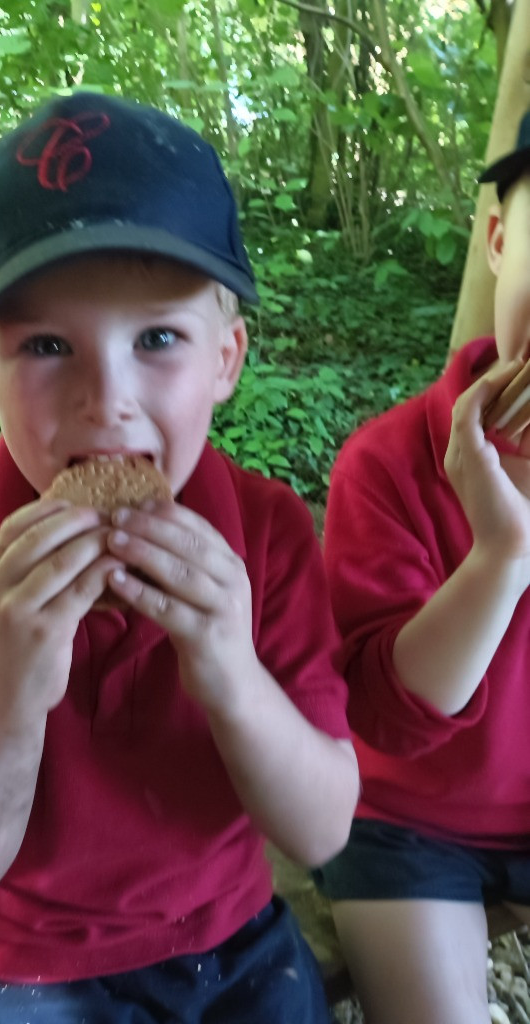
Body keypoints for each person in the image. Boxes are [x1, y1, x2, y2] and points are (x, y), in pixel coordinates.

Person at [0, 91, 359, 1023]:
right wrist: (10, 689)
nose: (108, 400)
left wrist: (228, 667)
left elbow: (321, 827)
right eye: (47, 345)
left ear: (226, 358)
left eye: (158, 339)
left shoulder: (268, 537)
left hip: (229, 942)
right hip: (23, 964)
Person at [313, 109, 530, 1024]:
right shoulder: (387, 463)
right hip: (403, 821)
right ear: (495, 240)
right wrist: (500, 557)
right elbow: (384, 718)